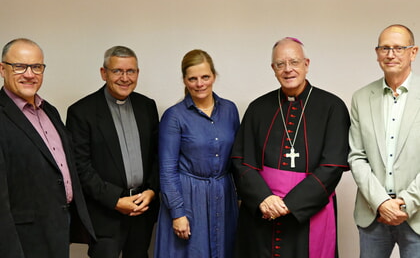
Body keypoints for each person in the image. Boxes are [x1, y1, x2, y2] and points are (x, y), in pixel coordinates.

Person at [231, 37, 350, 258]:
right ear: (273, 69)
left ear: (306, 64)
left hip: (309, 211)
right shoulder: (258, 108)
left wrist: (290, 205)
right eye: (280, 64)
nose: (288, 70)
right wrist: (264, 199)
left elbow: (332, 165)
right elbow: (240, 160)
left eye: (294, 62)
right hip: (263, 210)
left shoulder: (332, 107)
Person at [0, 38, 95, 258]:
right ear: (3, 69)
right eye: (20, 66)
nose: (29, 74)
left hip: (58, 227)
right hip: (22, 239)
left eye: (36, 67)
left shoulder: (48, 110)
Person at [66, 46, 159, 258]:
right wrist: (115, 201)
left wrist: (152, 191)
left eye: (131, 71)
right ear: (103, 73)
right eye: (117, 71)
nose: (125, 78)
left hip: (142, 210)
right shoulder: (81, 112)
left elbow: (158, 156)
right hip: (104, 213)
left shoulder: (147, 106)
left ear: (137, 73)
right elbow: (80, 167)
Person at [153, 49, 240, 258]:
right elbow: (167, 170)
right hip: (188, 201)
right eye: (192, 78)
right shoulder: (174, 116)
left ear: (214, 76)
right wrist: (178, 213)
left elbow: (238, 158)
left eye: (205, 77)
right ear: (184, 80)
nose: (200, 84)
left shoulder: (230, 110)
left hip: (224, 197)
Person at [349, 24, 420, 257]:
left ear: (414, 52)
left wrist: (405, 203)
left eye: (399, 48)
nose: (391, 55)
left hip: (417, 216)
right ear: (377, 53)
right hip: (373, 214)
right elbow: (357, 156)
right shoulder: (361, 98)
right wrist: (381, 202)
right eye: (385, 48)